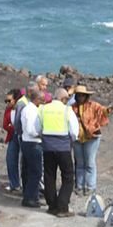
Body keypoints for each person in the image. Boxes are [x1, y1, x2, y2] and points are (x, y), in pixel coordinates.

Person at [39, 88, 79, 217]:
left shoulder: (43, 109)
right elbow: (74, 132)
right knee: (68, 177)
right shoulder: (67, 110)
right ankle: (62, 207)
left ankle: (52, 206)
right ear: (63, 99)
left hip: (47, 148)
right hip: (63, 147)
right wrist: (70, 141)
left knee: (49, 176)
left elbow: (37, 128)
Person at [71, 85, 113, 196]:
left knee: (90, 162)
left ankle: (90, 186)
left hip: (92, 137)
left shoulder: (93, 105)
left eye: (82, 95)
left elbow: (102, 111)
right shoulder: (72, 107)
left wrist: (108, 110)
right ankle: (80, 186)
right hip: (77, 138)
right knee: (80, 163)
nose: (80, 97)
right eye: (78, 95)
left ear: (86, 96)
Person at [20, 89, 44, 208]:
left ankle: (31, 195)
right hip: (33, 143)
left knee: (28, 171)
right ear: (36, 99)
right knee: (36, 172)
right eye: (42, 99)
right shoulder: (31, 111)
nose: (43, 102)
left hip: (27, 142)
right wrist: (40, 134)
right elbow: (31, 129)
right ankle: (30, 198)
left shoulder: (28, 109)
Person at [3, 89, 22, 192]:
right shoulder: (8, 110)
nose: (7, 103)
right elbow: (5, 125)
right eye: (6, 101)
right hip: (13, 136)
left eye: (9, 101)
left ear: (16, 100)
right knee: (10, 159)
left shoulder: (22, 108)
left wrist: (13, 127)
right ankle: (14, 184)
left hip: (22, 136)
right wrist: (13, 128)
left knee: (24, 161)